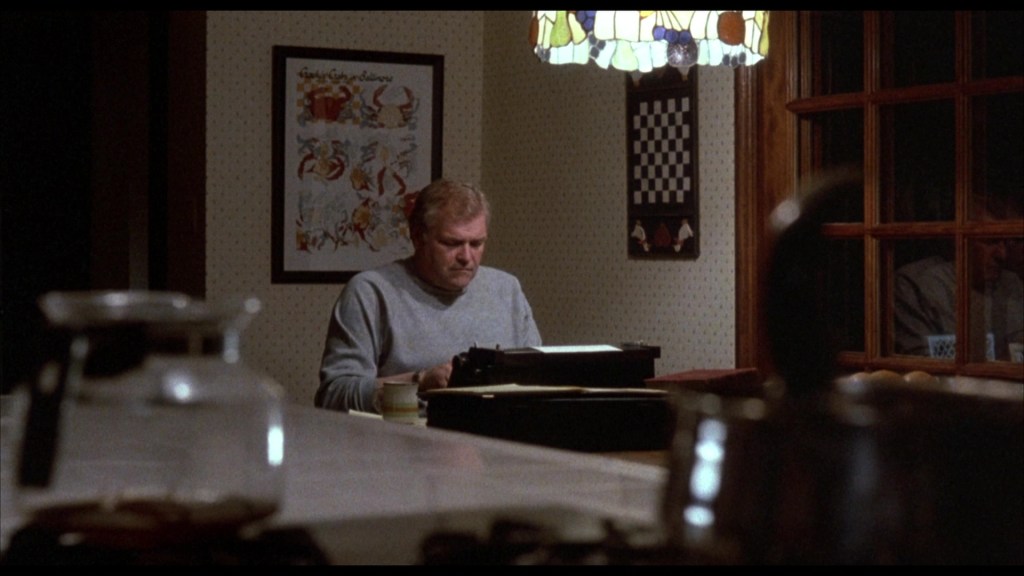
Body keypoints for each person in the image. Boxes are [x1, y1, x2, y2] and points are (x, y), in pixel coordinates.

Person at [315, 179, 542, 413]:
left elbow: (540, 380)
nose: (466, 257)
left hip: (499, 430)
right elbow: (334, 395)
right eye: (452, 243)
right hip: (407, 433)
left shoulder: (507, 290)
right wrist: (420, 381)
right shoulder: (371, 292)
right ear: (417, 237)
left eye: (476, 244)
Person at [894, 198, 1024, 361]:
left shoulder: (1011, 283)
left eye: (1006, 243)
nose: (1002, 255)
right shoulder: (915, 284)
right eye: (990, 242)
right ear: (958, 241)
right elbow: (920, 363)